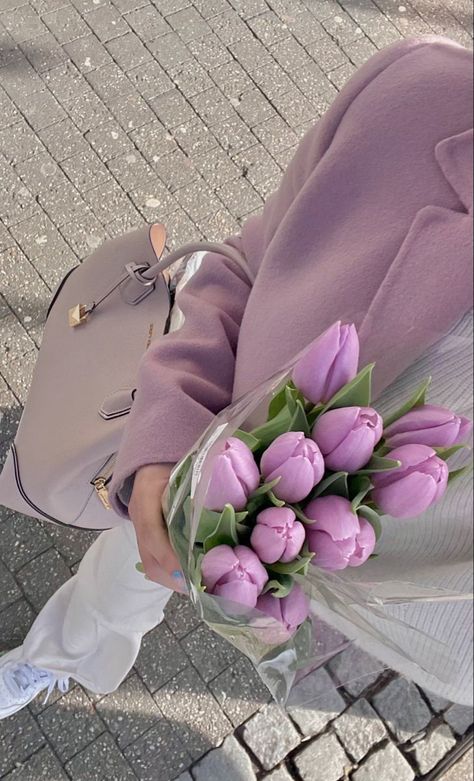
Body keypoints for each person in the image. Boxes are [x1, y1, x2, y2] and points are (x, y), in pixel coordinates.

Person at [1, 34, 472, 718]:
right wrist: (165, 435)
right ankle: (56, 655)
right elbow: (246, 263)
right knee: (126, 569)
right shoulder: (420, 91)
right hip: (196, 464)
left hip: (355, 612)